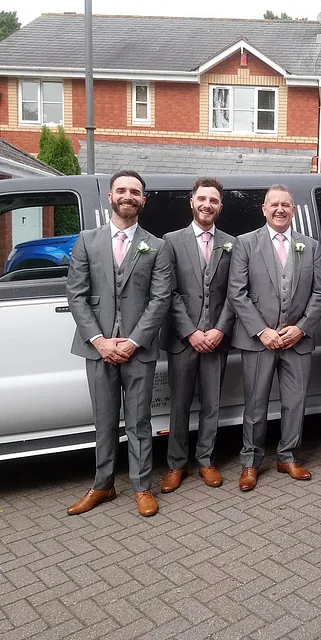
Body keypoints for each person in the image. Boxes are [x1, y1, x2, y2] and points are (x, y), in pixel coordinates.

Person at [66, 170, 171, 517]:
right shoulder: (86, 240)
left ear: (144, 200)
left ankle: (142, 487)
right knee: (104, 420)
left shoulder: (157, 246)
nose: (128, 196)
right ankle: (103, 485)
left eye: (135, 192)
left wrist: (134, 342)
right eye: (121, 190)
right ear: (110, 197)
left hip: (138, 352)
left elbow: (160, 300)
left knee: (140, 422)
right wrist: (99, 341)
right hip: (98, 350)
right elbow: (76, 295)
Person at [227, 184, 321, 491]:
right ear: (264, 209)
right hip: (259, 341)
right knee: (255, 404)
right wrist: (262, 331)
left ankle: (288, 456)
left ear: (293, 210)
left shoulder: (310, 245)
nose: (280, 209)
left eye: (286, 205)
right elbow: (237, 292)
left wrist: (301, 328)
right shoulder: (245, 243)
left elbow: (320, 292)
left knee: (295, 402)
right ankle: (250, 463)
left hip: (297, 340)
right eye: (274, 205)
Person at [160, 178, 236, 494]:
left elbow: (236, 292)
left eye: (213, 200)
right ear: (192, 202)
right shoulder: (171, 241)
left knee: (212, 405)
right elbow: (169, 292)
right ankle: (176, 465)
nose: (207, 204)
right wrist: (191, 332)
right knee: (178, 406)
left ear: (220, 206)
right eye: (202, 198)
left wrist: (219, 329)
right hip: (183, 340)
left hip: (217, 340)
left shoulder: (233, 243)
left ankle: (206, 460)